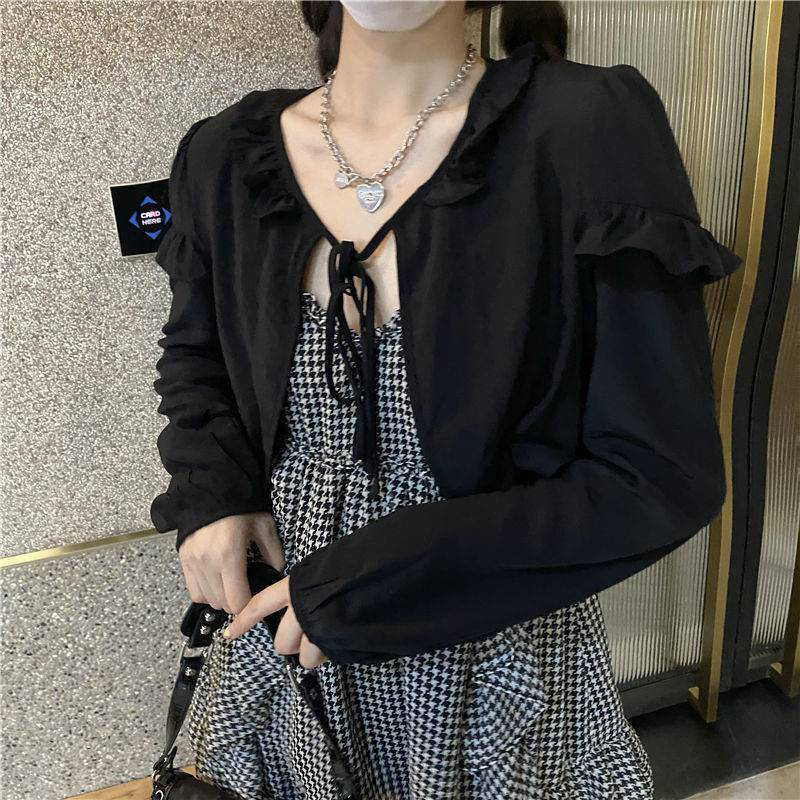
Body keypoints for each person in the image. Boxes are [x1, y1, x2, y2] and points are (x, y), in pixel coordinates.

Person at [150, 1, 742, 798]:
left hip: (492, 633)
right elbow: (196, 355)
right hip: (287, 630)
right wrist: (212, 494)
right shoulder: (226, 153)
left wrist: (380, 578)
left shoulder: (584, 128)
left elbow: (661, 473)